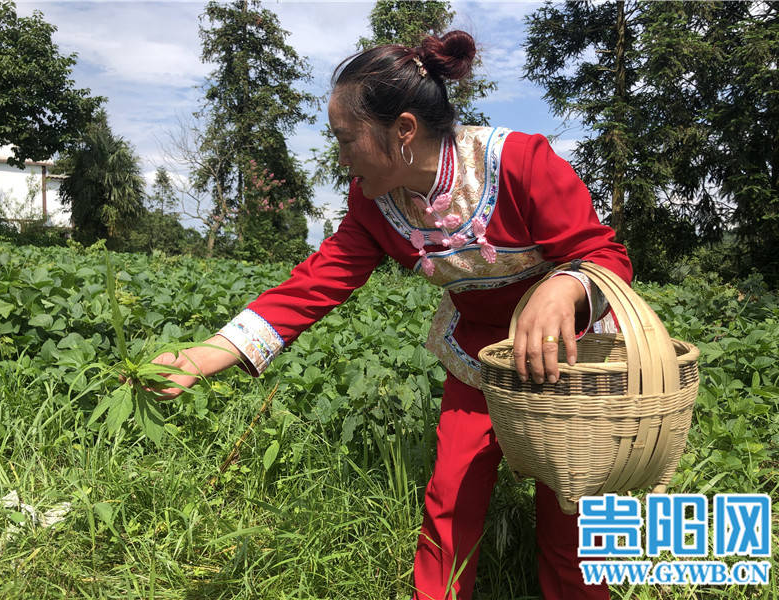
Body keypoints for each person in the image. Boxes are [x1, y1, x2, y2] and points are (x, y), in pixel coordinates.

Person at [151, 30, 631, 600]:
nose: (341, 156)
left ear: (403, 131)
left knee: (571, 511)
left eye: (346, 139)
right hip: (478, 355)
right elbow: (318, 280)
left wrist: (565, 286)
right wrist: (212, 353)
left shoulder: (517, 162)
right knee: (451, 498)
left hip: (570, 355)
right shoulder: (374, 204)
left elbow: (607, 257)